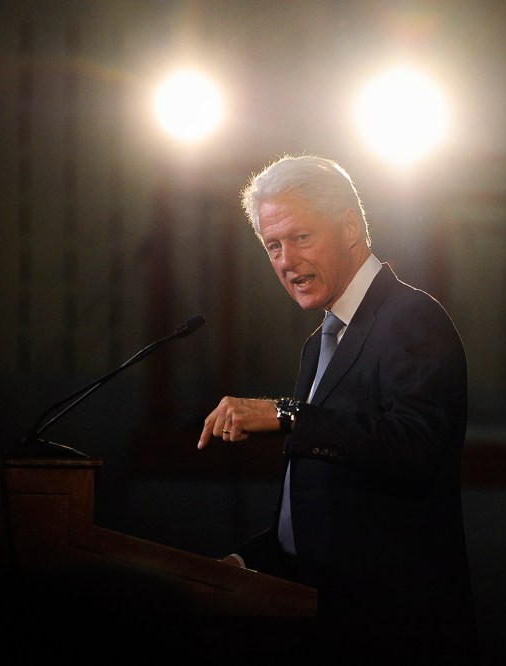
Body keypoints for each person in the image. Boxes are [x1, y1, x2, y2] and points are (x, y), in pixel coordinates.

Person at [197, 154, 478, 663]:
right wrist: (247, 562)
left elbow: (412, 449)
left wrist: (286, 414)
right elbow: (320, 507)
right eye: (273, 246)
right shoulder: (319, 345)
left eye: (301, 238)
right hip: (324, 625)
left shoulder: (412, 318)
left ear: (350, 227)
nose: (285, 261)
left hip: (395, 633)